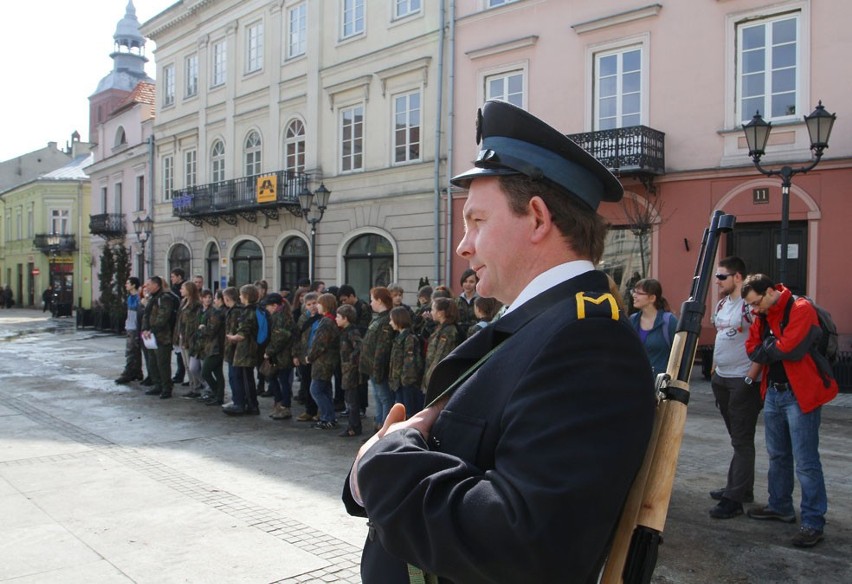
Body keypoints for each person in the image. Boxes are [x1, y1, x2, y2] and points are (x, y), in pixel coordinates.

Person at [343, 99, 655, 583]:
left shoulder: (588, 341)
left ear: (536, 218)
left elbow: (525, 539)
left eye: (477, 221)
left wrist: (383, 462)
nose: (464, 245)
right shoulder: (545, 324)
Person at [742, 274, 838, 548]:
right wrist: (773, 348)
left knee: (806, 462)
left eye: (756, 303)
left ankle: (812, 522)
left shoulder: (800, 308)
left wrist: (769, 348)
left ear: (770, 292)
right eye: (750, 306)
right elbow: (752, 349)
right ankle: (780, 505)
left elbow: (792, 348)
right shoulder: (763, 315)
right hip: (773, 392)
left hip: (800, 395)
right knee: (778, 455)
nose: (754, 310)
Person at [707, 257, 762, 519]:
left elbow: (763, 340)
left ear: (738, 277)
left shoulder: (750, 306)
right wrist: (715, 368)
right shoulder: (722, 304)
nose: (717, 281)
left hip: (742, 379)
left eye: (722, 277)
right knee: (737, 439)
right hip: (723, 378)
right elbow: (721, 336)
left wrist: (751, 377)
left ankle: (734, 499)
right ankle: (742, 488)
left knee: (742, 440)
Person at [359, 287, 396, 429]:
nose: (370, 303)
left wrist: (377, 369)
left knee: (385, 398)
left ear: (379, 300)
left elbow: (383, 347)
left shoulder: (386, 320)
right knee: (378, 398)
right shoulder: (379, 318)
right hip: (372, 366)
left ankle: (384, 428)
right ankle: (379, 425)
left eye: (372, 300)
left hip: (378, 367)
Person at [223, 284, 261, 416]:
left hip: (246, 349)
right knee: (247, 377)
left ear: (246, 296)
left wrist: (232, 337)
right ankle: (249, 404)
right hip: (251, 347)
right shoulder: (256, 309)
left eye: (241, 295)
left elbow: (243, 333)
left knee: (244, 377)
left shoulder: (248, 311)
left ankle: (244, 405)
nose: (239, 297)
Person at [629, 278, 678, 378]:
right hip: (635, 381)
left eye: (639, 293)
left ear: (652, 298)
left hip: (659, 384)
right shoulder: (632, 320)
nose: (634, 295)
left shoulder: (669, 321)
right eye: (634, 292)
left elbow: (679, 355)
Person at [306, 293, 341, 429]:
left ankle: (327, 418)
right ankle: (329, 417)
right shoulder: (329, 320)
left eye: (319, 303)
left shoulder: (326, 321)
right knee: (325, 389)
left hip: (323, 361)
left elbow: (320, 343)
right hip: (328, 360)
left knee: (316, 389)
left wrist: (310, 356)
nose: (316, 306)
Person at [141, 276, 177, 399]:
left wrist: (152, 330)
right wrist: (145, 329)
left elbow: (163, 317)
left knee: (163, 363)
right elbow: (146, 314)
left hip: (162, 336)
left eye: (149, 284)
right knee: (152, 362)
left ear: (156, 285)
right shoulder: (152, 298)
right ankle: (157, 385)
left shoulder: (165, 298)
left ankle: (166, 388)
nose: (147, 287)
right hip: (150, 337)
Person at [263, 293, 296, 420]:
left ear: (275, 306)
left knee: (281, 380)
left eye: (268, 306)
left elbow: (279, 338)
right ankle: (280, 404)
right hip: (283, 354)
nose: (267, 309)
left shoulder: (279, 317)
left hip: (282, 355)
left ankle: (284, 406)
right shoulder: (282, 315)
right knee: (276, 379)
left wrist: (269, 352)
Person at [388, 306, 425, 417]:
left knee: (408, 412)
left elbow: (410, 363)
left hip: (406, 384)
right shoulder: (399, 336)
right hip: (399, 383)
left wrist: (404, 381)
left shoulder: (409, 338)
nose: (390, 323)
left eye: (391, 319)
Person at [421, 297, 460, 393]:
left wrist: (429, 379)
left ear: (440, 313)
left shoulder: (448, 331)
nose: (431, 312)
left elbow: (440, 356)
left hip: (438, 380)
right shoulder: (440, 328)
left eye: (433, 309)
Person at [336, 304, 363, 437]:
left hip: (351, 370)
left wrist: (350, 361)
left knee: (352, 399)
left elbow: (359, 347)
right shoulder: (344, 331)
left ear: (345, 318)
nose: (336, 319)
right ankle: (353, 425)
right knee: (349, 398)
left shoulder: (352, 331)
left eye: (338, 317)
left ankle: (354, 426)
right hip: (346, 369)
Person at [197, 289, 225, 405]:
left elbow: (211, 331)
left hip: (215, 347)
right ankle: (219, 397)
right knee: (218, 373)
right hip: (214, 346)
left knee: (205, 372)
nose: (212, 300)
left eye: (214, 298)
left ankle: (217, 393)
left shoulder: (217, 313)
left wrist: (202, 328)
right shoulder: (217, 311)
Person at [176, 281, 204, 399]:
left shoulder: (196, 305)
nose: (180, 290)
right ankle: (192, 386)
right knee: (186, 364)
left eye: (183, 288)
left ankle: (197, 387)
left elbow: (194, 322)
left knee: (192, 364)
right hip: (183, 336)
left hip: (191, 337)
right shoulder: (183, 302)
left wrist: (191, 336)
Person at [115, 277, 144, 385]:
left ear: (133, 285)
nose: (126, 285)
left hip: (135, 327)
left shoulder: (138, 297)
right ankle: (137, 372)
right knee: (134, 350)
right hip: (130, 325)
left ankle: (128, 372)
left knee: (131, 350)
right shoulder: (130, 297)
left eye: (128, 283)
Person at [170, 268, 187, 384]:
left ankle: (181, 374)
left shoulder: (179, 291)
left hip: (181, 325)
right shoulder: (174, 289)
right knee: (178, 351)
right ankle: (179, 374)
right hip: (176, 324)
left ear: (179, 277)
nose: (172, 279)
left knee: (182, 352)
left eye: (173, 276)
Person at [455, 268, 480, 332]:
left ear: (476, 283)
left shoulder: (481, 300)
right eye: (465, 281)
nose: (468, 284)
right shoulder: (456, 301)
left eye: (471, 282)